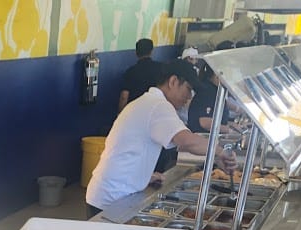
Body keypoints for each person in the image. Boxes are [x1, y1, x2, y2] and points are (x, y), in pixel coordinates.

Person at [87, 60, 237, 216]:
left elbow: (132, 148)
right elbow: (186, 141)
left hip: (108, 192)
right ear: (173, 81)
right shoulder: (158, 106)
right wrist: (221, 152)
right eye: (188, 89)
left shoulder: (148, 102)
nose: (189, 97)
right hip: (112, 198)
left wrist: (144, 176)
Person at [187, 60, 237, 134]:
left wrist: (233, 125)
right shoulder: (207, 91)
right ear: (217, 75)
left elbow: (218, 120)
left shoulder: (215, 90)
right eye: (228, 74)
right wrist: (230, 130)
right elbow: (205, 122)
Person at [118, 38, 163, 113]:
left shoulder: (131, 72)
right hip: (155, 110)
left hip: (135, 111)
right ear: (151, 51)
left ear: (136, 52)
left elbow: (124, 97)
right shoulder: (161, 68)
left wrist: (120, 114)